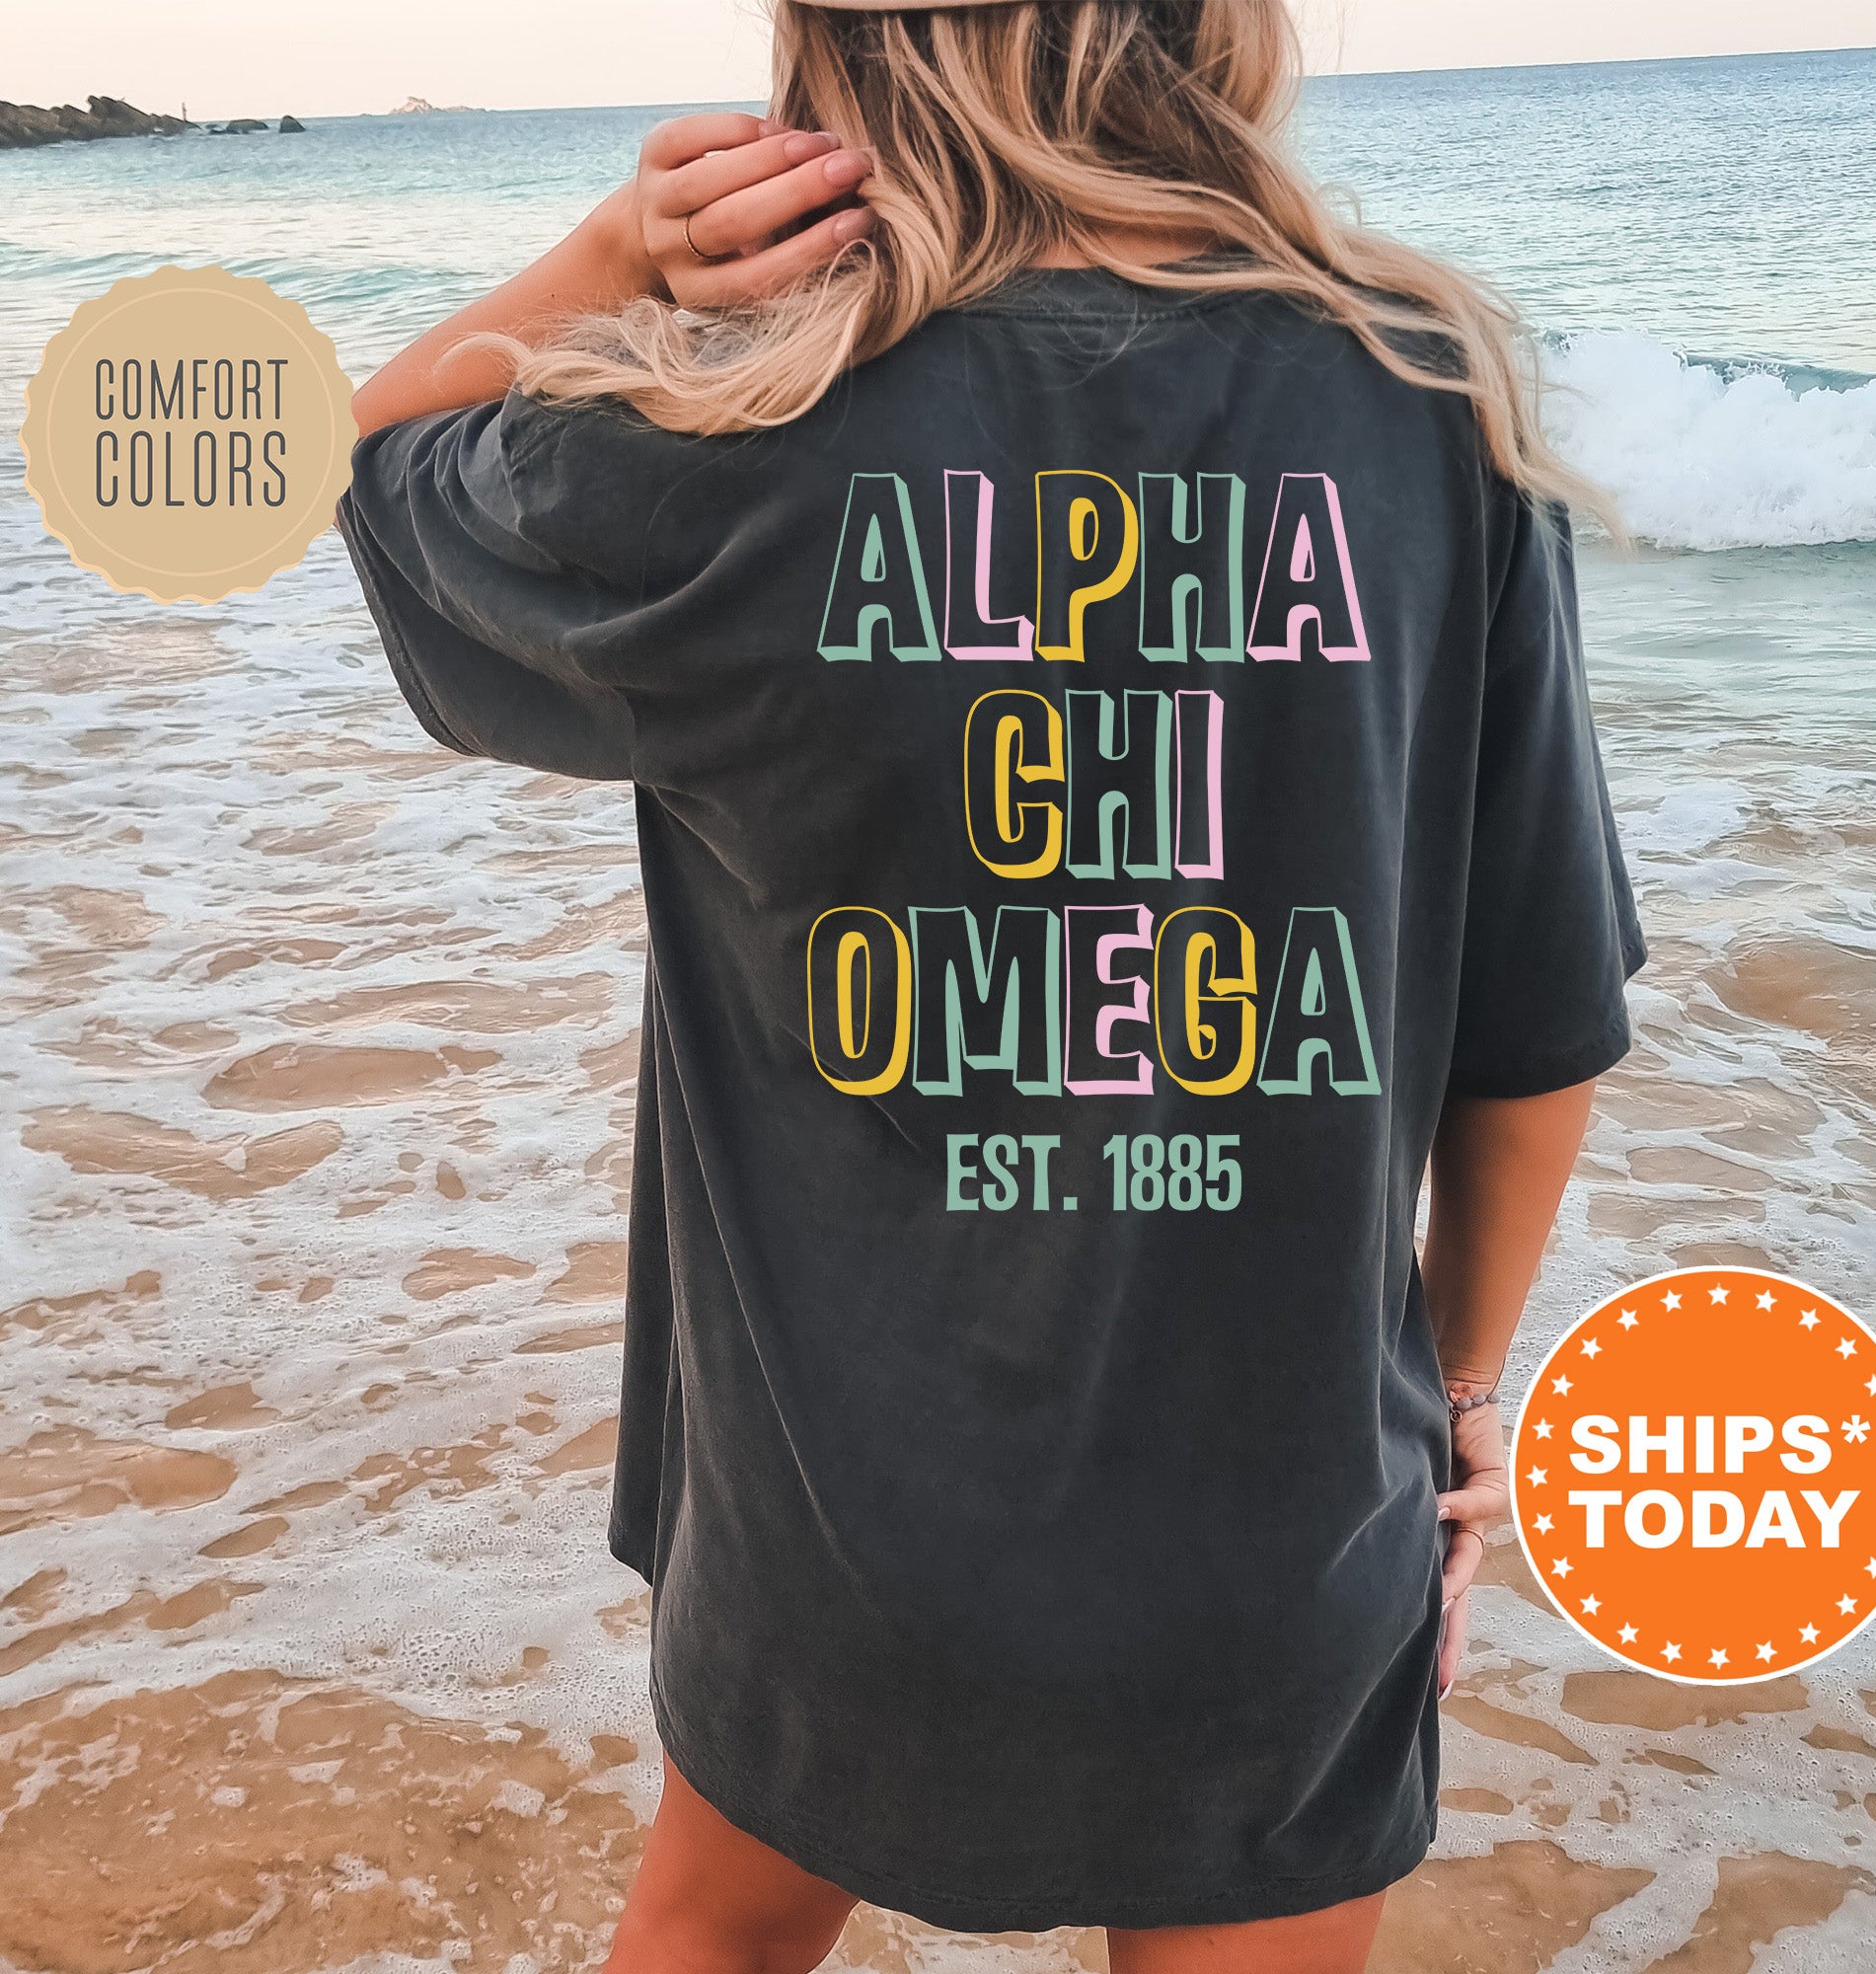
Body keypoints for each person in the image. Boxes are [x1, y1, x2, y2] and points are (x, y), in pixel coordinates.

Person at [337, 1, 1647, 1968]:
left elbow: (371, 461)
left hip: (833, 1529)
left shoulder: (720, 433)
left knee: (709, 1935)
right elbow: (1537, 1026)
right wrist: (1461, 1394)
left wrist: (620, 254)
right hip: (1280, 1525)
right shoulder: (1423, 401)